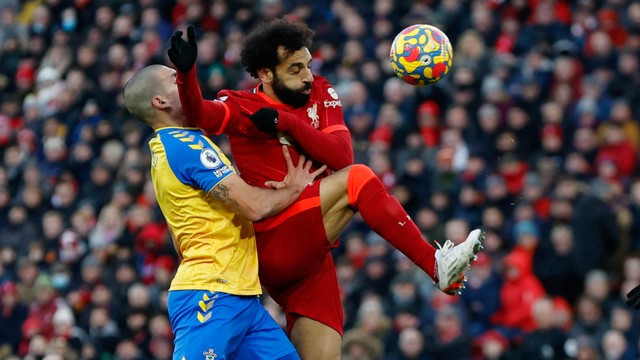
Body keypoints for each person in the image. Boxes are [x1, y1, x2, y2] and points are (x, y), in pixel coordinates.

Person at [168, 21, 483, 359]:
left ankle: (443, 274)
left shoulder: (320, 91)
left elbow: (341, 154)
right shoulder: (242, 105)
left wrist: (286, 123)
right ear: (265, 74)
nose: (307, 76)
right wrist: (187, 75)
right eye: (295, 68)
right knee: (358, 180)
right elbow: (199, 114)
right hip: (275, 235)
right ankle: (436, 266)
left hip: (311, 257)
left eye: (308, 65)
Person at [123, 64, 328, 360]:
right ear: (160, 101)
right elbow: (254, 206)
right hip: (211, 293)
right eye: (175, 79)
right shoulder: (185, 145)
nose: (185, 82)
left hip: (241, 294)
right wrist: (294, 188)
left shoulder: (169, 148)